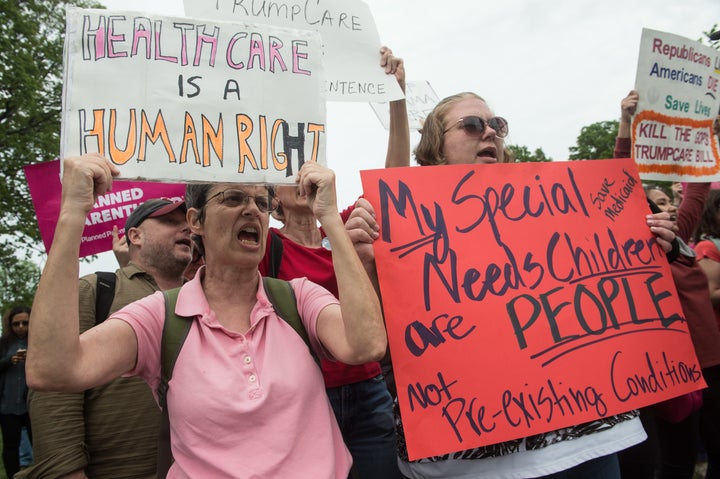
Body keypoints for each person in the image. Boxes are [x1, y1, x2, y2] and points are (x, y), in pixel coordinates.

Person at [345, 91, 681, 479]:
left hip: (585, 439)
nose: (489, 132)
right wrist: (365, 264)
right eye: (472, 125)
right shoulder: (394, 223)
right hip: (468, 457)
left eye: (496, 125)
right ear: (435, 148)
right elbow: (375, 339)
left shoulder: (556, 203)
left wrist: (647, 241)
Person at [26, 153, 387, 478]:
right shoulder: (161, 316)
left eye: (261, 202)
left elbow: (366, 344)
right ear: (196, 220)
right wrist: (72, 214)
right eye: (232, 198)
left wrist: (330, 220)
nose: (252, 210)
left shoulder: (299, 297)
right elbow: (53, 369)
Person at [259, 47, 405, 479]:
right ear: (271, 200)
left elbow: (394, 184)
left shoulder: (344, 230)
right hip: (304, 397)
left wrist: (395, 99)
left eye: (309, 164)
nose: (302, 173)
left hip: (369, 391)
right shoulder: (265, 246)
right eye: (289, 170)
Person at [19, 197, 191, 479]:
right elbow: (54, 395)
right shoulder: (95, 291)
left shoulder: (207, 300)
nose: (185, 230)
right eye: (170, 222)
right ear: (134, 236)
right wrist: (66, 471)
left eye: (187, 225)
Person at [0, 305, 32, 479]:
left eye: (25, 323)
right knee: (11, 446)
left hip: (31, 404)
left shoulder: (37, 341)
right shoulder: (3, 343)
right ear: (10, 325)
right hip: (8, 405)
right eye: (16, 323)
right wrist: (9, 360)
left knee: (40, 444)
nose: (21, 327)